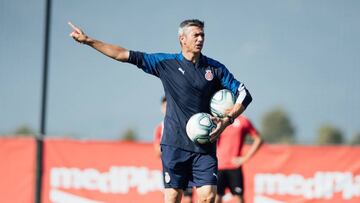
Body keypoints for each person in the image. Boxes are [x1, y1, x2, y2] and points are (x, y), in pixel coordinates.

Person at [69, 19, 252, 203]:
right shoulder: (166, 63)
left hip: (204, 147)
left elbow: (245, 94)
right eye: (195, 35)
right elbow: (123, 54)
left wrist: (227, 120)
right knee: (173, 197)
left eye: (202, 35)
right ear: (182, 39)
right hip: (174, 145)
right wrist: (88, 41)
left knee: (208, 197)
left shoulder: (215, 69)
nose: (200, 39)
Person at [154, 96, 194, 203]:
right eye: (165, 106)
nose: (167, 108)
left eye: (169, 106)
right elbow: (157, 152)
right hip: (170, 166)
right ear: (161, 108)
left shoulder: (187, 124)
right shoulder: (160, 128)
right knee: (171, 196)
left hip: (186, 163)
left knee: (188, 198)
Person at [215, 116, 262, 203]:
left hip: (234, 167)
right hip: (218, 166)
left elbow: (258, 139)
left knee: (238, 198)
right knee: (216, 197)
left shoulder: (242, 121)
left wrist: (244, 158)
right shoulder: (216, 119)